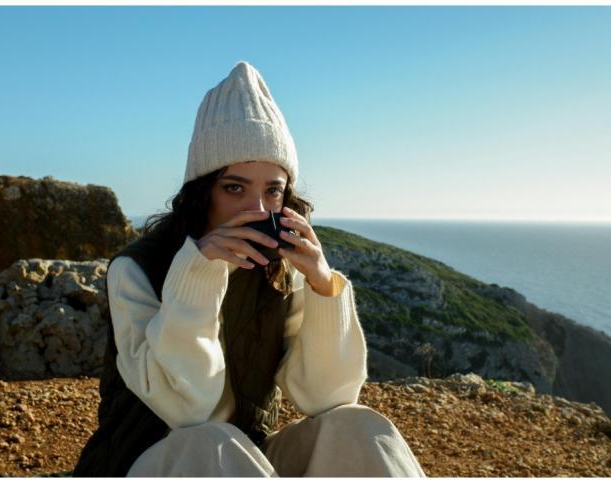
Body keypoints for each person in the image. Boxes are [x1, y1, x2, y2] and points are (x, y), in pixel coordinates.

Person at [72, 61, 426, 477]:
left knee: (359, 427)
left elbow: (327, 397)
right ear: (203, 191)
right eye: (235, 187)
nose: (257, 208)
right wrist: (198, 275)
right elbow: (190, 410)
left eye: (273, 190)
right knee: (211, 441)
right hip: (145, 463)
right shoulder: (137, 269)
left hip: (245, 462)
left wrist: (322, 287)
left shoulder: (279, 271)